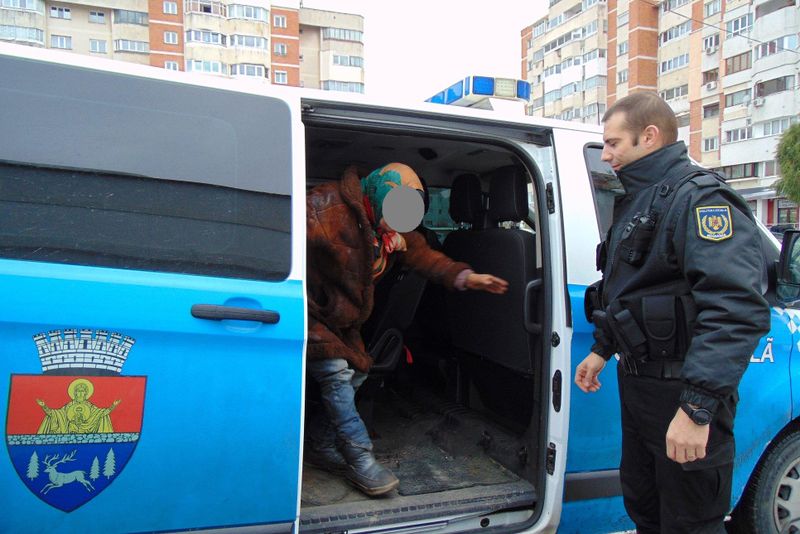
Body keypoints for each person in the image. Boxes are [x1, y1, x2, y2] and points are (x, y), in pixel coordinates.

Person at [575, 92, 770, 533]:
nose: (605, 155)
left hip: (681, 394)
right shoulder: (640, 200)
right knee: (645, 512)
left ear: (649, 136)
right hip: (641, 389)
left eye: (613, 143)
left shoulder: (701, 200)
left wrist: (697, 408)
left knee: (689, 523)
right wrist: (602, 349)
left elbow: (734, 309)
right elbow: (629, 290)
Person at [306, 162, 508, 497]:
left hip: (342, 321)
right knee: (336, 373)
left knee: (358, 372)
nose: (398, 224)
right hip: (309, 312)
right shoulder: (324, 208)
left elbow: (425, 257)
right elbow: (283, 244)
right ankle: (361, 460)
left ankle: (320, 442)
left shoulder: (388, 225)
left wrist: (466, 277)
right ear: (378, 195)